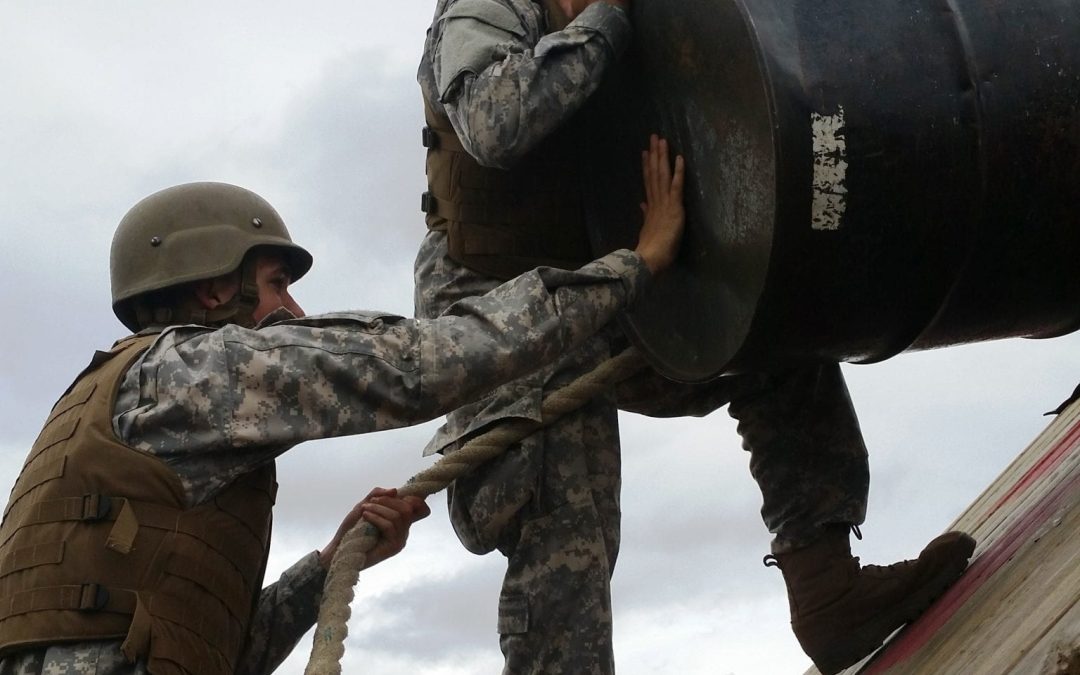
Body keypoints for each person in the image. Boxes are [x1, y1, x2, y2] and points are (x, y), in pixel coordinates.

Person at [416, 1, 976, 673]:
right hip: (500, 322)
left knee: (779, 332)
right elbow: (493, 121)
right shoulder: (488, 8)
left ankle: (827, 590)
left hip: (610, 282)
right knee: (564, 529)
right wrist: (607, 19)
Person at [0, 156, 685, 675]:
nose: (295, 311)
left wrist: (329, 563)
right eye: (276, 285)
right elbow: (415, 364)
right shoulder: (189, 371)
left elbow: (215, 655)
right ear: (214, 288)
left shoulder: (100, 410)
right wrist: (632, 266)